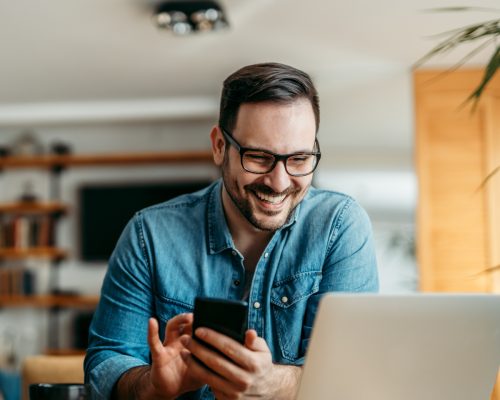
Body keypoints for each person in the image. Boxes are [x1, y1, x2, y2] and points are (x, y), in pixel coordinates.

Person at [84, 62, 378, 399]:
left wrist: (275, 384)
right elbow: (103, 367)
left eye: (299, 159)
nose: (279, 182)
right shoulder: (147, 235)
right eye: (258, 157)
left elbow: (353, 377)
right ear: (220, 146)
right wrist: (154, 385)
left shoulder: (340, 227)